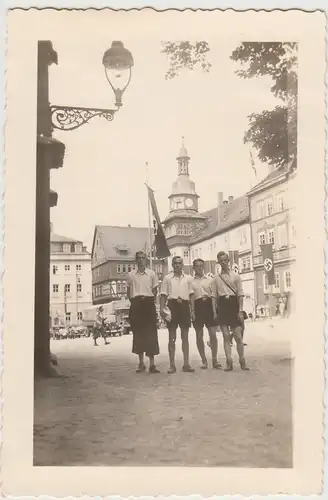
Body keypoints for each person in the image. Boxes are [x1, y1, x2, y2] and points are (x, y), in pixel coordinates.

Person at [212, 251, 249, 371]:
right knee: (226, 336)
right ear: (218, 262)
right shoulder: (216, 279)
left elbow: (240, 294)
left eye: (225, 260)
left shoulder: (236, 276)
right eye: (221, 260)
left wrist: (241, 310)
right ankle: (229, 361)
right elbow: (214, 296)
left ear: (228, 261)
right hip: (222, 306)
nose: (223, 262)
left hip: (234, 305)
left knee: (238, 336)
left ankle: (242, 360)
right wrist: (214, 312)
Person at [127, 251, 160, 374]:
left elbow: (155, 290)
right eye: (138, 258)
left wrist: (148, 300)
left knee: (151, 333)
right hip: (136, 305)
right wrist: (136, 302)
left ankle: (152, 364)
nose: (141, 260)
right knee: (138, 334)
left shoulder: (151, 274)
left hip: (148, 304)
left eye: (143, 258)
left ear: (146, 260)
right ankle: (141, 363)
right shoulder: (131, 275)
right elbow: (129, 292)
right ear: (136, 260)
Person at [160, 256, 195, 374]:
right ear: (172, 265)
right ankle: (172, 365)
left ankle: (186, 364)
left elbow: (191, 295)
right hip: (172, 306)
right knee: (172, 337)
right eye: (175, 263)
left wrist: (193, 310)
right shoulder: (167, 278)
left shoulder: (188, 279)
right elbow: (163, 295)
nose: (177, 265)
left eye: (179, 263)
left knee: (185, 337)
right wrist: (161, 309)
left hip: (184, 307)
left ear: (182, 265)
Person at [190, 258, 222, 369]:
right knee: (199, 336)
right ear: (193, 267)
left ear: (203, 267)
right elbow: (192, 298)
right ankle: (204, 360)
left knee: (213, 334)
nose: (199, 268)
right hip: (198, 307)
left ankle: (214, 359)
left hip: (208, 306)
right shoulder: (191, 281)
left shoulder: (210, 280)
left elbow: (213, 296)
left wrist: (214, 311)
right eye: (197, 266)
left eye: (201, 266)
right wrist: (192, 311)